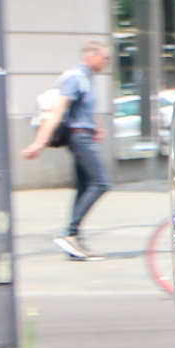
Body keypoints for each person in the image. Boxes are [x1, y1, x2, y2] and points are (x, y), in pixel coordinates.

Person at [24, 38, 113, 259]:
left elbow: (85, 110)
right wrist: (40, 142)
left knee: (84, 186)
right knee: (101, 183)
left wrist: (98, 127)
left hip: (84, 137)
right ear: (90, 56)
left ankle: (73, 239)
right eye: (105, 58)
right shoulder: (76, 77)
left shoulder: (87, 79)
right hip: (79, 138)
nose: (107, 62)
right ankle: (70, 235)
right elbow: (57, 111)